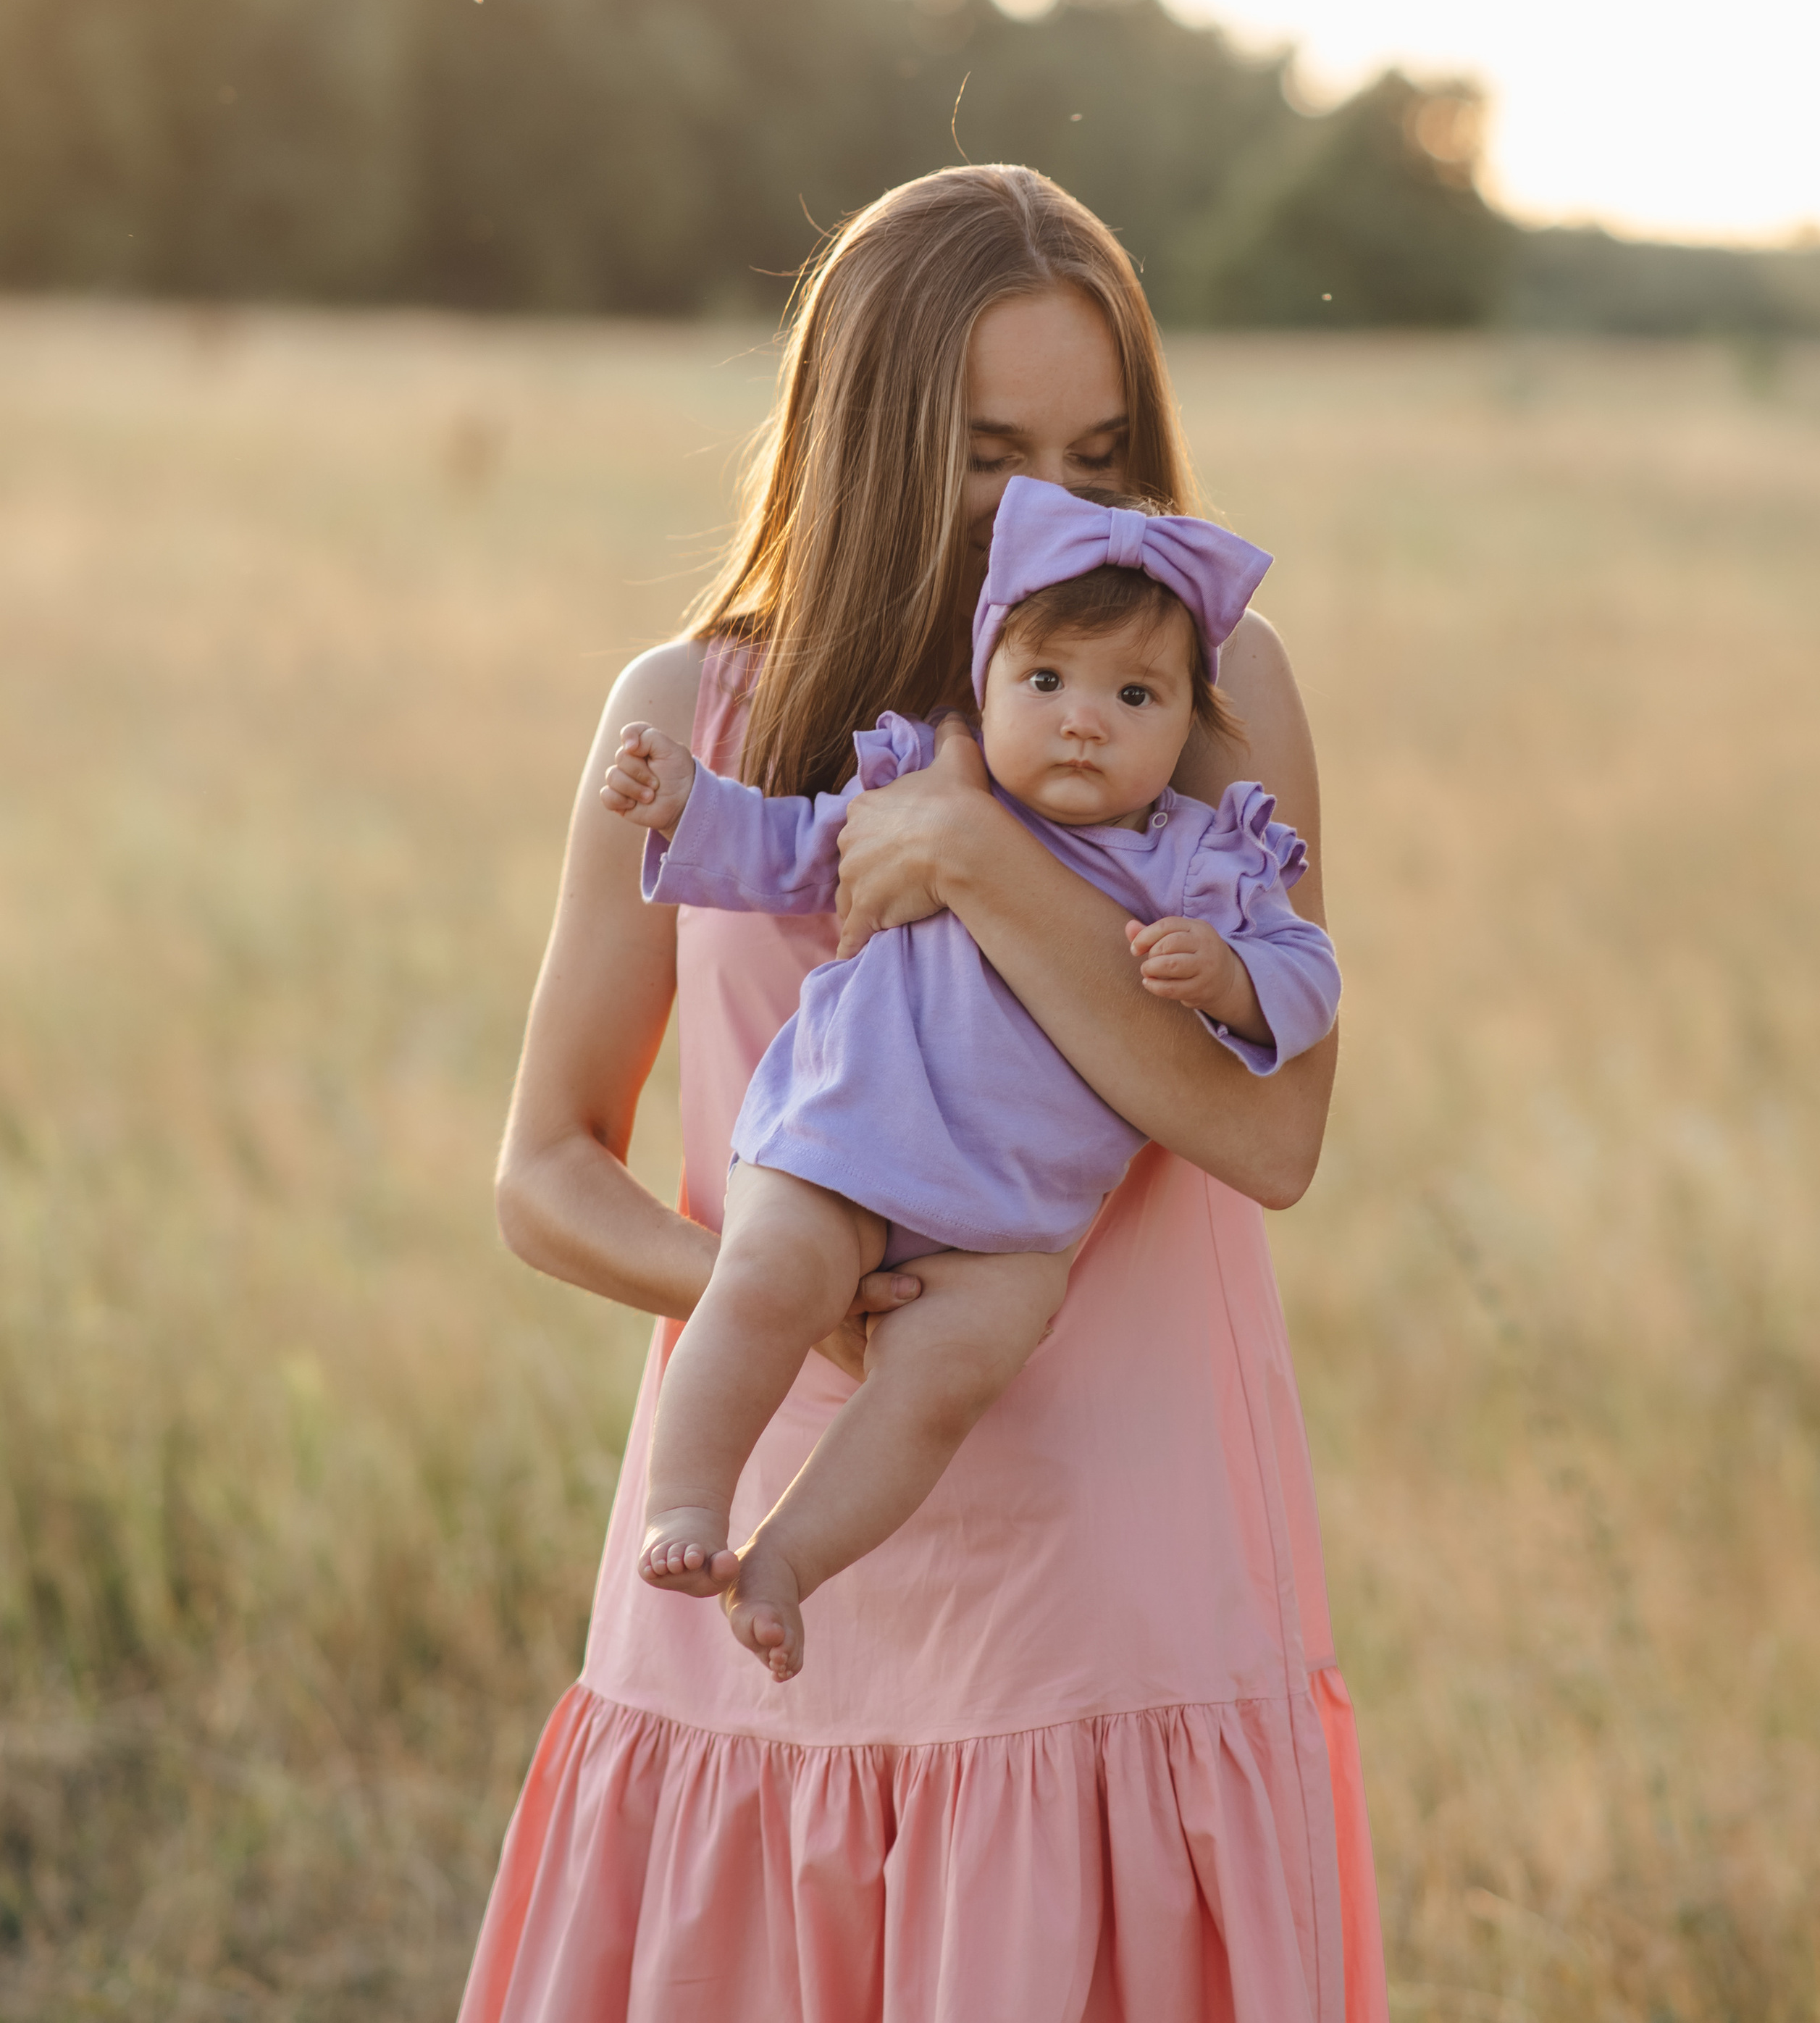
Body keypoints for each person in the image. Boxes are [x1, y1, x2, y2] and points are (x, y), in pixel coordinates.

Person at [462, 166, 1389, 2023]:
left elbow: (1269, 1136)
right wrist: (780, 1298)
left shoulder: (1210, 703)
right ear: (866, 438)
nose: (1050, 509)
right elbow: (547, 1167)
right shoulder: (690, 707)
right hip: (747, 1541)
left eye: (1100, 456)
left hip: (1109, 1594)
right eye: (986, 456)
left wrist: (978, 858)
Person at [602, 477, 1342, 1683]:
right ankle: (684, 1504)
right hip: (842, 1145)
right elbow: (786, 850)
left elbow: (1311, 975)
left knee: (942, 1381)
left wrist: (1231, 978)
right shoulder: (917, 791)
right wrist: (690, 803)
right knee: (766, 1275)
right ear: (985, 684)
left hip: (1012, 1225)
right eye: (1046, 682)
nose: (1084, 720)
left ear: (1184, 726)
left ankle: (787, 1555)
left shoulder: (1196, 867)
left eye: (1135, 695)